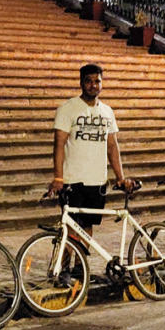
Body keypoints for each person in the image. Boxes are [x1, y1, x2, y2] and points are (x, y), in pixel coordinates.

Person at [49, 64, 132, 240]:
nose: (93, 85)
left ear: (102, 84)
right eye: (89, 81)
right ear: (81, 83)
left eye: (97, 81)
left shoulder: (107, 111)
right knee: (70, 226)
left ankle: (80, 267)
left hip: (97, 180)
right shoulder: (68, 108)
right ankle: (63, 266)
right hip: (73, 179)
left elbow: (112, 146)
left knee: (87, 226)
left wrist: (120, 177)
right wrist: (58, 177)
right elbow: (59, 145)